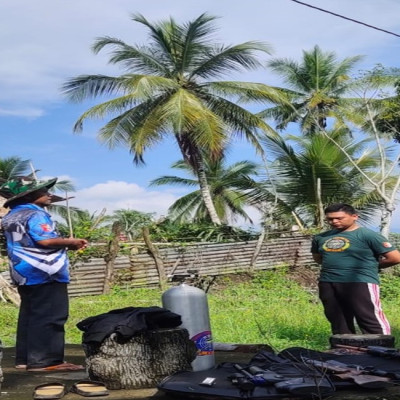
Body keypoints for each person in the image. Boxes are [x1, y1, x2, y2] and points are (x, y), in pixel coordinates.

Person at [0, 177, 88, 371]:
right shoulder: (35, 214)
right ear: (29, 195)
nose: (49, 194)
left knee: (30, 315)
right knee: (51, 315)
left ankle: (25, 359)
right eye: (44, 191)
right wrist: (71, 243)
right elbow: (45, 241)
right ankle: (46, 361)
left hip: (23, 272)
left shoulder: (11, 216)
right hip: (45, 271)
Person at [311, 203, 400, 335]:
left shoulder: (368, 235)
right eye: (330, 219)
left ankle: (382, 348)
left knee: (368, 317)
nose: (334, 221)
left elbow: (395, 257)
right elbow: (318, 258)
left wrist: (370, 267)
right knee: (337, 319)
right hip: (328, 282)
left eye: (339, 218)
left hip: (360, 281)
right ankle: (345, 350)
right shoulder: (321, 237)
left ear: (354, 217)